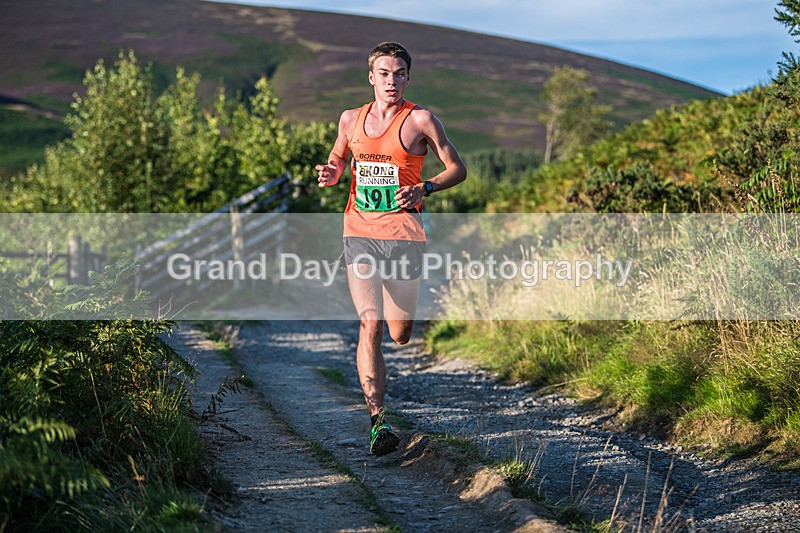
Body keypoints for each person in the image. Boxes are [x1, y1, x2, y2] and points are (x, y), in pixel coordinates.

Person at [315, 42, 467, 456]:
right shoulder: (351, 119)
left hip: (403, 235)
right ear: (371, 77)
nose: (392, 80)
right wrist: (331, 172)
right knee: (371, 324)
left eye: (400, 73)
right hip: (359, 232)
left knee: (399, 333)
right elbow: (338, 159)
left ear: (407, 77)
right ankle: (377, 424)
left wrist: (426, 186)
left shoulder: (421, 120)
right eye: (384, 73)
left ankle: (395, 312)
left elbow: (458, 168)